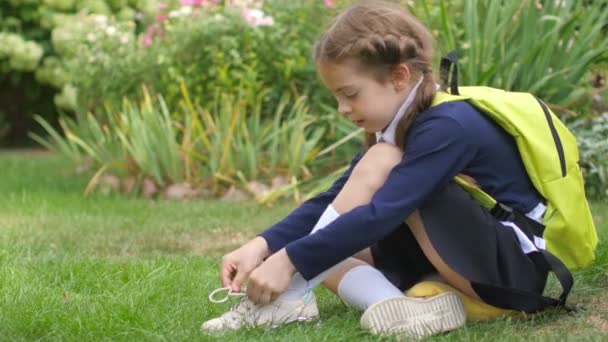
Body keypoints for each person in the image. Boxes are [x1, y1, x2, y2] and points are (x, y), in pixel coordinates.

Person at [201, 0, 567, 338]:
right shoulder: (402, 123)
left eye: (350, 93)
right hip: (469, 259)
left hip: (511, 274)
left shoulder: (446, 126)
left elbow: (380, 215)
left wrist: (289, 261)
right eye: (336, 97)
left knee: (340, 222)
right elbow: (336, 200)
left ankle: (290, 296)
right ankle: (395, 307)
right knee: (330, 241)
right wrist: (263, 245)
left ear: (399, 77)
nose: (342, 109)